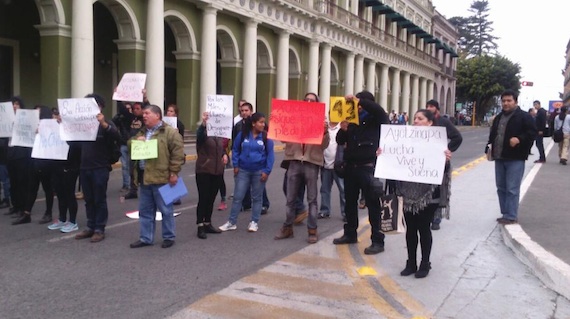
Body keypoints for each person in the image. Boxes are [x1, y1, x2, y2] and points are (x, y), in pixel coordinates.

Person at [379, 109, 452, 278]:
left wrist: (446, 160)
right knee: (410, 229)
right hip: (406, 193)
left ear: (430, 123)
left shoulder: (438, 143)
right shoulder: (403, 139)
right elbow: (393, 161)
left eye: (420, 118)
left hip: (428, 194)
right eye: (415, 118)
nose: (416, 121)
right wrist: (383, 155)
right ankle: (411, 262)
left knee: (424, 229)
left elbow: (444, 170)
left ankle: (425, 263)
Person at [332, 90, 389, 255]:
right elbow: (341, 141)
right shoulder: (352, 120)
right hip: (351, 167)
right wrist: (343, 130)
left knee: (373, 205)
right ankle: (350, 233)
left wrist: (359, 100)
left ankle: (377, 240)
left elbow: (378, 110)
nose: (356, 106)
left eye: (360, 104)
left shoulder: (376, 119)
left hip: (368, 167)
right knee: (350, 203)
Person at [274, 92, 329, 244]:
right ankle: (287, 228)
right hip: (295, 161)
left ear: (317, 104)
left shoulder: (321, 121)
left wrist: (324, 131)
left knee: (312, 199)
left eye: (312, 100)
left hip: (311, 163)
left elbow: (324, 145)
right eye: (306, 100)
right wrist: (280, 124)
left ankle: (312, 230)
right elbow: (283, 139)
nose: (309, 102)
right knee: (290, 198)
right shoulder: (294, 117)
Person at [129, 105, 185, 248]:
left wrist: (174, 173)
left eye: (147, 113)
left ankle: (168, 236)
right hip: (145, 178)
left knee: (166, 210)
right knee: (145, 211)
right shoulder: (141, 132)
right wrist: (135, 142)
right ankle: (146, 238)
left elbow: (178, 155)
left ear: (157, 116)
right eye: (144, 114)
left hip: (162, 178)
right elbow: (130, 145)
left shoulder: (170, 133)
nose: (144, 116)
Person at [74, 93, 121, 243]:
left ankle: (99, 228)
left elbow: (117, 137)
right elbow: (73, 144)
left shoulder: (106, 123)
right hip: (85, 167)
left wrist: (104, 125)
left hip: (100, 167)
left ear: (99, 106)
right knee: (88, 199)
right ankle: (90, 226)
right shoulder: (82, 125)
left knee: (99, 199)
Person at [486, 89, 537, 225]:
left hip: (515, 158)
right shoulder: (498, 117)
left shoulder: (524, 117)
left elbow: (532, 133)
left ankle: (511, 215)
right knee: (501, 187)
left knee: (512, 188)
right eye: (503, 101)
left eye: (509, 101)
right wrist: (488, 147)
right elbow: (493, 135)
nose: (506, 103)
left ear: (515, 101)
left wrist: (519, 139)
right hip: (499, 157)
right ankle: (505, 213)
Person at [219, 112, 274, 232]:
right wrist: (236, 164)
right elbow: (236, 149)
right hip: (243, 170)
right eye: (260, 122)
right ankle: (231, 222)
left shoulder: (266, 137)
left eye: (263, 122)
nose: (263, 124)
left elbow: (270, 155)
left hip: (259, 172)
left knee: (257, 198)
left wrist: (267, 171)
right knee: (238, 197)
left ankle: (254, 222)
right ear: (254, 123)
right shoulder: (243, 135)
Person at [425, 99, 463, 230]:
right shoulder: (424, 123)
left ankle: (436, 218)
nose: (429, 108)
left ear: (437, 109)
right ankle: (427, 216)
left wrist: (447, 150)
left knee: (439, 190)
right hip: (425, 161)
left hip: (440, 162)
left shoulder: (444, 122)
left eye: (431, 106)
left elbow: (457, 137)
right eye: (427, 106)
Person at [47, 108, 81, 233]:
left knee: (69, 193)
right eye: (57, 115)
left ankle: (72, 221)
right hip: (57, 164)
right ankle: (62, 219)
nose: (58, 117)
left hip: (70, 165)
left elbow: (76, 147)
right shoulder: (55, 128)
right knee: (60, 193)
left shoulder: (74, 130)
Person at [195, 112, 227, 239]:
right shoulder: (204, 133)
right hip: (204, 170)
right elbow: (199, 137)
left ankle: (208, 223)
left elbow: (220, 149)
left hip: (217, 171)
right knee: (203, 198)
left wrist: (224, 154)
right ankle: (200, 225)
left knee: (211, 198)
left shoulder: (219, 136)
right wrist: (203, 124)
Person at [6, 97, 34, 224]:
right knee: (13, 182)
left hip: (22, 154)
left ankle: (23, 208)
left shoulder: (26, 119)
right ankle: (16, 206)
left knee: (22, 182)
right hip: (10, 154)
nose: (14, 106)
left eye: (17, 104)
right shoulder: (6, 120)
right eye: (12, 104)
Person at [318, 120, 345, 220]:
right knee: (324, 189)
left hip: (338, 165)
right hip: (325, 164)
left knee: (343, 190)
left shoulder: (342, 127)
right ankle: (324, 211)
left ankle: (345, 212)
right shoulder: (324, 127)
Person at [123, 101, 146, 200]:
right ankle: (133, 189)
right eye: (134, 109)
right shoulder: (132, 119)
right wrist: (120, 99)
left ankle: (145, 189)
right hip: (134, 147)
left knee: (142, 169)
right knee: (132, 169)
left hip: (143, 148)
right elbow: (123, 112)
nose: (135, 111)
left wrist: (145, 98)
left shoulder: (144, 120)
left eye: (138, 109)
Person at [165, 103, 186, 205]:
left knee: (174, 173)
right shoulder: (163, 123)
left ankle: (176, 197)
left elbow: (181, 140)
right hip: (165, 152)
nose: (169, 113)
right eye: (168, 111)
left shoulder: (180, 124)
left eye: (171, 111)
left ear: (175, 113)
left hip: (174, 152)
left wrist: (177, 133)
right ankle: (168, 196)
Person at [112, 101, 133, 192]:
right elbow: (113, 125)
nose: (127, 111)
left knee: (133, 166)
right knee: (125, 165)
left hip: (134, 144)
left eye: (129, 109)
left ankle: (134, 183)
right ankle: (126, 184)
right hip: (123, 143)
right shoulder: (119, 118)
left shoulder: (133, 118)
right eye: (126, 108)